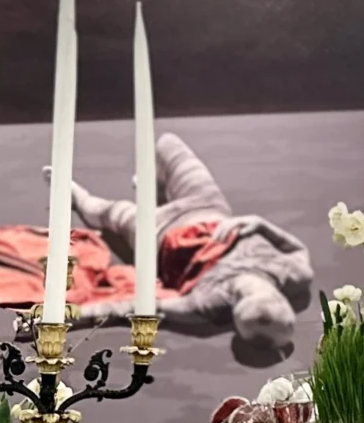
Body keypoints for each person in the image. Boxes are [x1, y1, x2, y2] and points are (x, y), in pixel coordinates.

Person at [61, 132, 315, 368]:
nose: (248, 287)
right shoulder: (295, 273)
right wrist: (260, 224)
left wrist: (64, 317)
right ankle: (157, 186)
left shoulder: (206, 305)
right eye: (265, 295)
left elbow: (130, 307)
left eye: (243, 297)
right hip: (207, 205)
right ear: (282, 298)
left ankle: (77, 195)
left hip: (157, 231)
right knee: (167, 143)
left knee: (102, 211)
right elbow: (296, 249)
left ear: (235, 311)